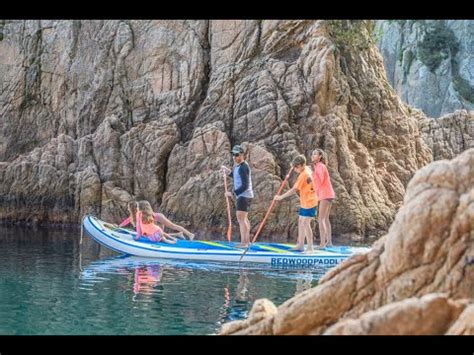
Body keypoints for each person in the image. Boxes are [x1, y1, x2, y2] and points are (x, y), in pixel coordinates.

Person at [274, 155, 318, 253]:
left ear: (301, 165)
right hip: (305, 201)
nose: (294, 169)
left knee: (306, 223)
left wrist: (280, 197)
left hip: (310, 202)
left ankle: (310, 247)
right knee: (300, 221)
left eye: (296, 167)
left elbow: (294, 190)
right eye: (293, 167)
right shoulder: (306, 168)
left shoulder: (304, 174)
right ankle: (300, 245)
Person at [220, 145, 254, 248]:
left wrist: (232, 193)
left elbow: (245, 185)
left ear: (242, 155)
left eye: (237, 155)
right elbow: (235, 176)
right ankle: (247, 242)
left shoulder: (244, 167)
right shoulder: (238, 166)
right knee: (244, 219)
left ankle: (244, 243)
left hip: (244, 196)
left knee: (241, 219)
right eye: (233, 155)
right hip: (244, 196)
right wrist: (227, 171)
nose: (235, 157)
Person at [119, 201, 194, 240]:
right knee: (158, 234)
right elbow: (127, 220)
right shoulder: (135, 215)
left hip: (158, 217)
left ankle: (190, 234)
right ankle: (178, 234)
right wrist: (119, 226)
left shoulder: (141, 214)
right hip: (154, 220)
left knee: (172, 226)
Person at [311, 149, 336, 248]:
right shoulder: (317, 166)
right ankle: (329, 242)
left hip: (325, 194)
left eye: (315, 154)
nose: (312, 156)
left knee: (320, 219)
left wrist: (312, 183)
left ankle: (322, 244)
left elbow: (320, 180)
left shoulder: (320, 166)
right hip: (328, 194)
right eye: (312, 154)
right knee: (325, 219)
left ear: (320, 156)